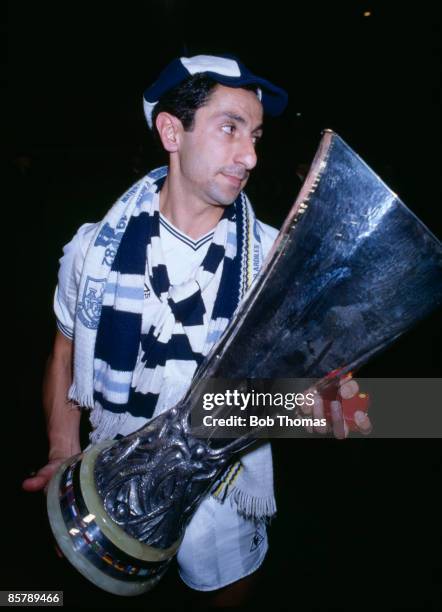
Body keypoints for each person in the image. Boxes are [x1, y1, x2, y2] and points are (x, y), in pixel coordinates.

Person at [22, 54, 372, 606]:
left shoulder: (277, 260)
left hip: (225, 490)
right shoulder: (95, 249)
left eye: (255, 135)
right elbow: (65, 348)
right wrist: (63, 448)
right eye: (229, 128)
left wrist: (329, 399)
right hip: (112, 473)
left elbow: (323, 395)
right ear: (171, 131)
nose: (251, 155)